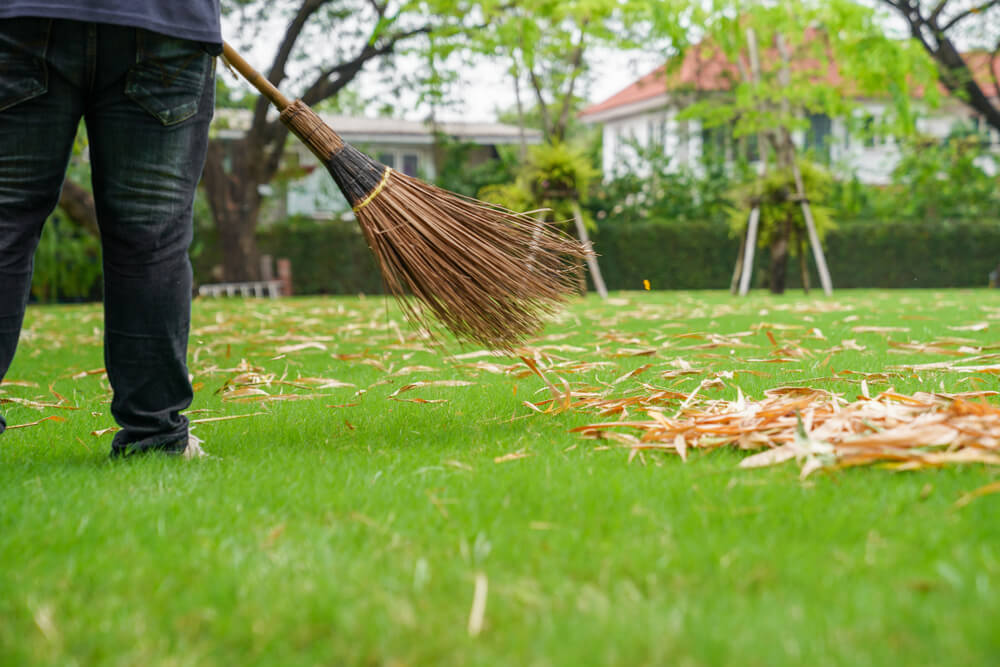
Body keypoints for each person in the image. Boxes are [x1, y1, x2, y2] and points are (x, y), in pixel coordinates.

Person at [0, 3, 221, 457]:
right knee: (151, 238)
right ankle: (155, 438)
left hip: (22, 14)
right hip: (162, 20)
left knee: (3, 224)